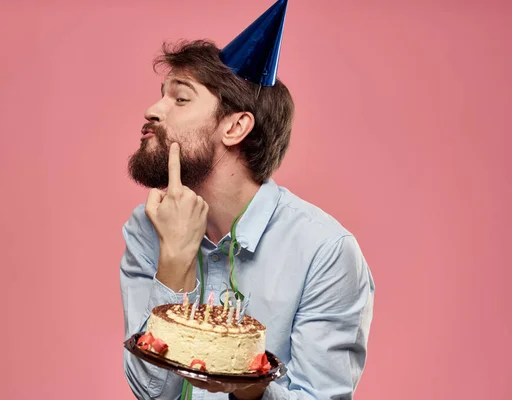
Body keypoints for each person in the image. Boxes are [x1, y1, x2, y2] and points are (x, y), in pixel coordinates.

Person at [120, 1, 375, 399]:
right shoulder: (147, 227)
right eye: (160, 96)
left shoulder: (324, 252)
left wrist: (252, 389)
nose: (153, 111)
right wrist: (174, 262)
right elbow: (153, 393)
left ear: (236, 126)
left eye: (180, 99)